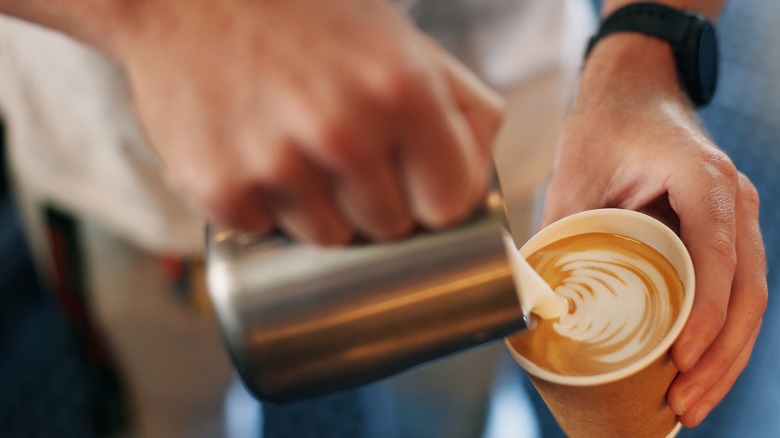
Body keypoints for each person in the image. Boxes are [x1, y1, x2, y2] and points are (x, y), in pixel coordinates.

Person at [0, 0, 767, 437]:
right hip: (140, 170)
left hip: (510, 130)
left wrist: (649, 45)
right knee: (168, 411)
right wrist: (160, 20)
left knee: (449, 403)